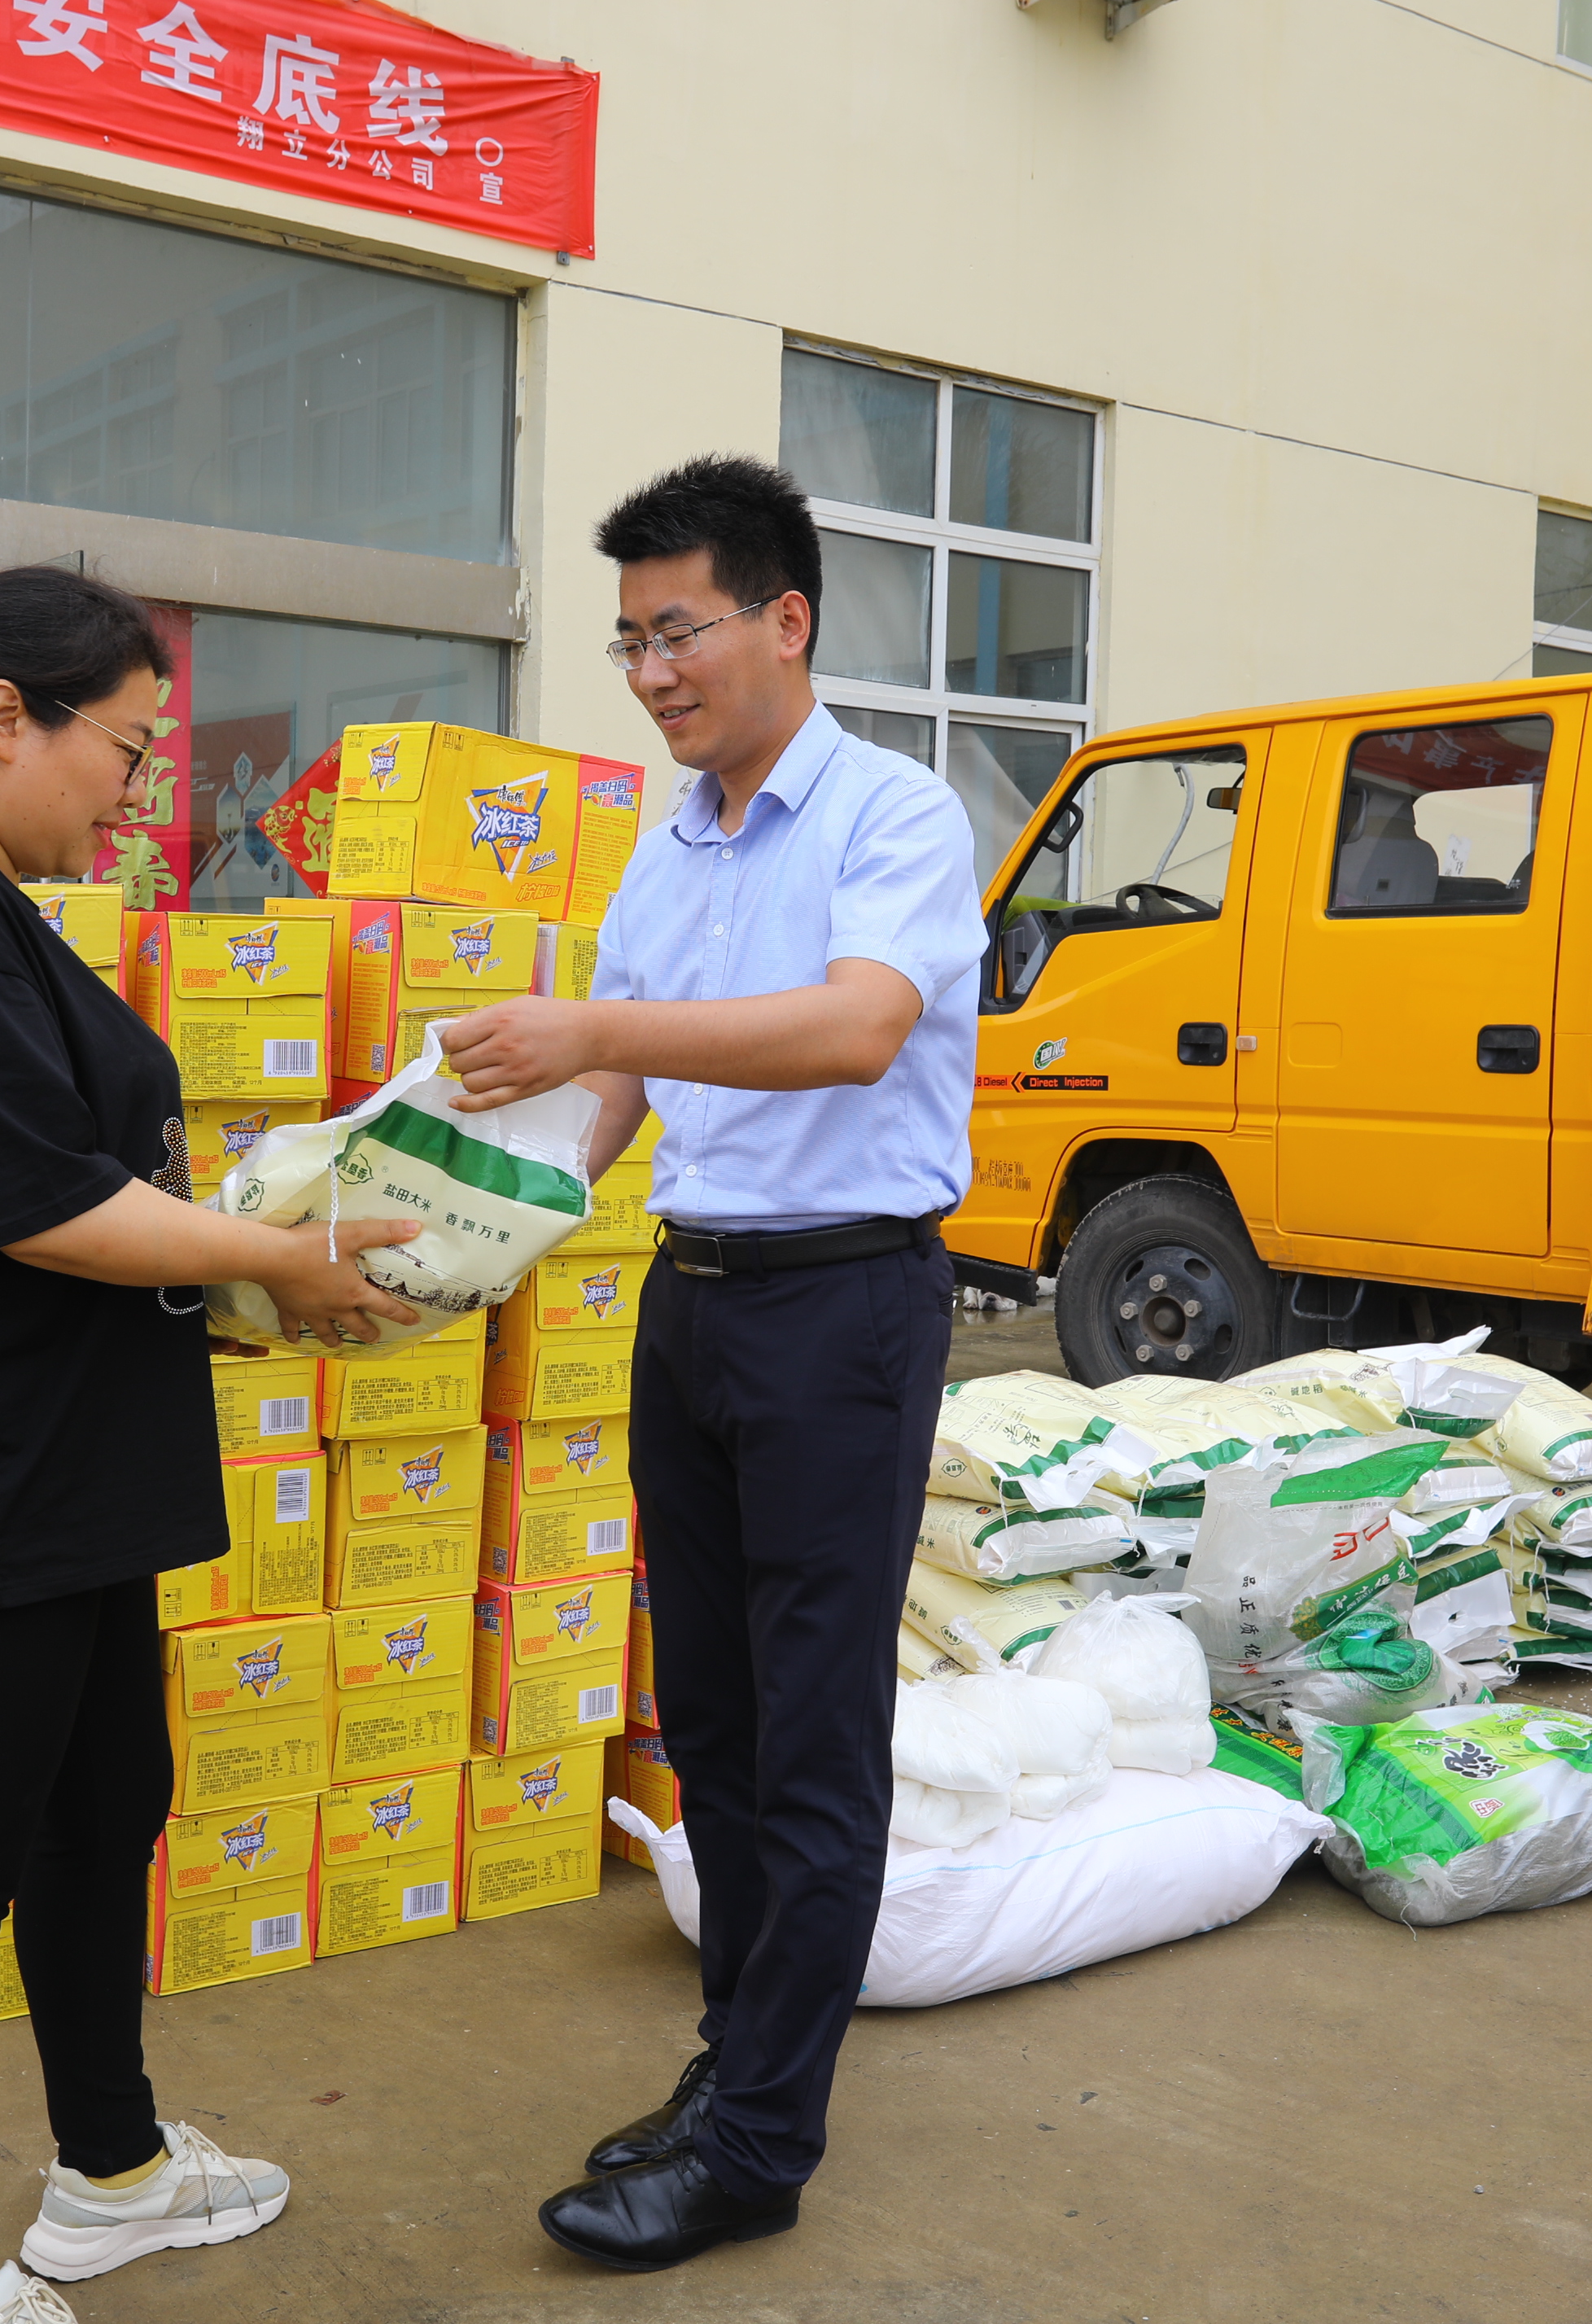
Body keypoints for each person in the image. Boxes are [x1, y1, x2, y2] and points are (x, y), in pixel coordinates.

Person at [0, 565, 425, 2324]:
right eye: (130, 752)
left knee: (97, 1820)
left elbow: (68, 1177)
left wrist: (246, 1252)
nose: (140, 797)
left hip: (65, 1468)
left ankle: (112, 2171)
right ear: (6, 718)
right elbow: (36, 1204)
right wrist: (279, 1254)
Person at [439, 457, 987, 2272]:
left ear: (786, 619)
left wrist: (597, 1026)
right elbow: (614, 1090)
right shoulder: (667, 847)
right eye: (630, 642)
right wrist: (465, 1235)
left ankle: (761, 2145)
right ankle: (735, 2058)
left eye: (675, 631)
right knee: (720, 1725)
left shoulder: (894, 816)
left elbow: (856, 1028)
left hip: (844, 1311)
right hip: (695, 1306)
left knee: (815, 1734)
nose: (652, 673)